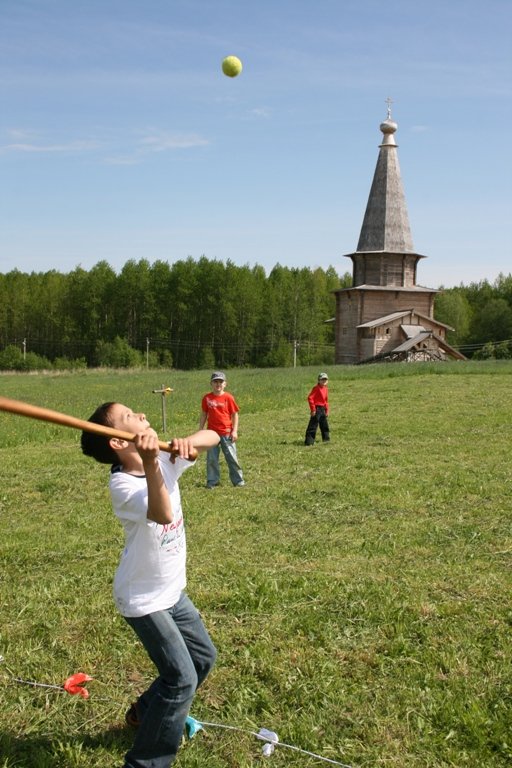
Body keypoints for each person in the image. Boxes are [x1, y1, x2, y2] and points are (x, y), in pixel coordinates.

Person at [80, 402, 220, 768]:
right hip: (143, 599)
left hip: (172, 591)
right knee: (180, 678)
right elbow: (161, 512)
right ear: (117, 442)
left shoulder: (164, 457)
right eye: (130, 417)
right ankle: (145, 763)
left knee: (203, 658)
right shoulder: (123, 485)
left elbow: (214, 435)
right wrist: (155, 463)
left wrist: (189, 442)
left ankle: (144, 711)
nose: (142, 415)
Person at [199, 371, 245, 489]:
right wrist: (201, 430)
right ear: (211, 383)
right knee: (212, 459)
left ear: (225, 384)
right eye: (215, 382)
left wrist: (234, 431)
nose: (218, 384)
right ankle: (212, 482)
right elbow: (204, 414)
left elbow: (234, 415)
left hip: (226, 432)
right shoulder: (207, 398)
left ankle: (238, 481)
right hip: (211, 433)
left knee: (231, 457)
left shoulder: (228, 398)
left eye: (220, 382)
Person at [304, 372, 330, 445]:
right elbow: (310, 398)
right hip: (317, 409)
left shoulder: (325, 389)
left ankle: (326, 439)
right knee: (313, 425)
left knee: (324, 425)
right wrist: (313, 410)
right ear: (319, 380)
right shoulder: (316, 388)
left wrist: (327, 410)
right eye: (322, 379)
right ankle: (309, 441)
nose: (324, 381)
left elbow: (326, 401)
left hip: (323, 409)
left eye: (325, 380)